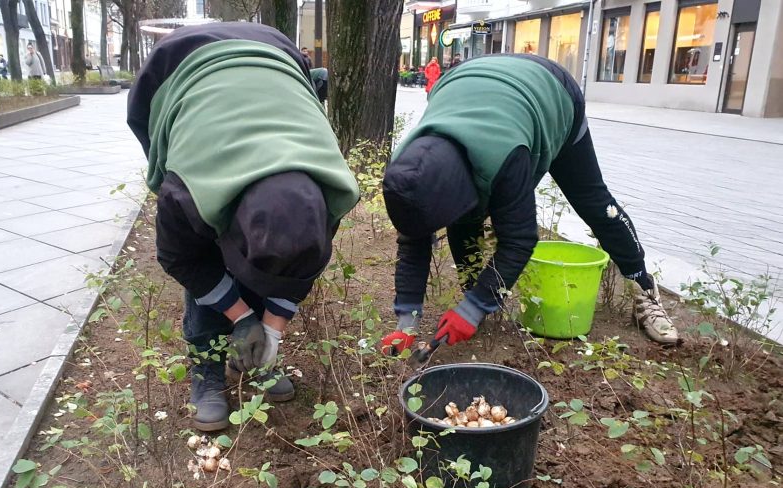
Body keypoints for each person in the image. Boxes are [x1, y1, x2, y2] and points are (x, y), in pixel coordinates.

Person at [127, 22, 359, 432]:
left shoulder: (330, 191)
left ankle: (254, 358)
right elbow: (181, 258)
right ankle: (207, 373)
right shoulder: (186, 188)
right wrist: (241, 317)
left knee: (274, 250)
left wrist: (271, 332)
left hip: (275, 60)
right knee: (210, 258)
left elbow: (300, 267)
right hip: (174, 73)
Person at [380, 54, 678, 357]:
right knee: (463, 218)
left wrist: (472, 311)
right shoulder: (410, 171)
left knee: (593, 202)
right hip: (475, 87)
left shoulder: (506, 158)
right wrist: (407, 321)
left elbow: (519, 241)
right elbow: (413, 239)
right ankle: (474, 293)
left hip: (552, 93)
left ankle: (644, 287)